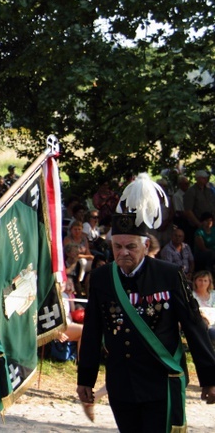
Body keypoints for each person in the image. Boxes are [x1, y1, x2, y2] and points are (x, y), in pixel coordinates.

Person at [77, 174, 215, 433]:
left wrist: (210, 379)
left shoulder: (169, 274)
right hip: (121, 382)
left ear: (146, 244)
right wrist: (86, 378)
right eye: (117, 247)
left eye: (130, 246)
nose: (123, 253)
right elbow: (93, 330)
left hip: (160, 380)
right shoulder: (102, 278)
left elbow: (193, 325)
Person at [192, 270, 215, 347]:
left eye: (205, 281)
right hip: (203, 323)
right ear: (195, 281)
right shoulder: (191, 296)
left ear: (209, 282)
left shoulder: (214, 294)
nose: (203, 283)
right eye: (200, 280)